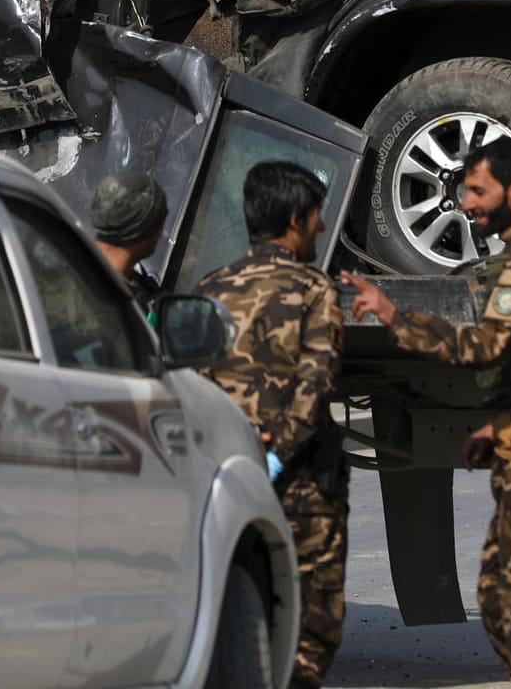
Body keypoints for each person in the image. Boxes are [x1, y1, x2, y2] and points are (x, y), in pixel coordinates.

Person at [343, 136, 511, 689]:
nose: (468, 205)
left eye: (478, 192)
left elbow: (483, 347)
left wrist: (393, 315)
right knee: (502, 599)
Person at [195, 160, 347, 689]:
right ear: (295, 219)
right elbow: (317, 383)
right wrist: (277, 455)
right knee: (313, 620)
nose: (321, 228)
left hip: (224, 476)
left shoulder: (209, 286)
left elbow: (192, 381)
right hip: (301, 486)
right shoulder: (314, 289)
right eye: (316, 217)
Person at [89, 170, 168, 305]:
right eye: (160, 224)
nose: (163, 233)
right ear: (143, 235)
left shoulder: (78, 268)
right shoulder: (104, 304)